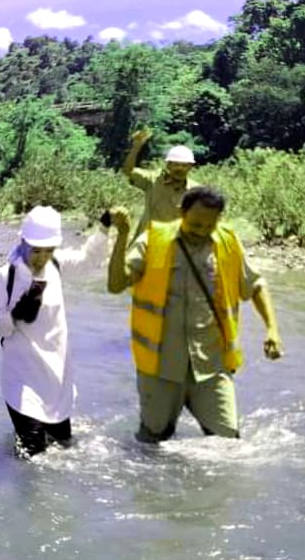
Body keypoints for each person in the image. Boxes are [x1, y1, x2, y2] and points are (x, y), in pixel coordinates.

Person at [107, 185, 283, 442]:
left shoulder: (228, 242)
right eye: (194, 224)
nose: (200, 231)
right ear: (182, 212)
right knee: (152, 445)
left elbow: (256, 285)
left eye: (208, 226)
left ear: (218, 220)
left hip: (211, 365)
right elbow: (115, 285)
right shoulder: (153, 241)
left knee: (228, 444)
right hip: (160, 367)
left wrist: (272, 329)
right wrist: (122, 235)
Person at [0, 205, 107, 456]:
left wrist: (104, 228)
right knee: (33, 457)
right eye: (36, 250)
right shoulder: (6, 277)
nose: (41, 257)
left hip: (56, 377)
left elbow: (88, 260)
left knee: (64, 449)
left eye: (48, 250)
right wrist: (15, 314)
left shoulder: (56, 266)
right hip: (21, 380)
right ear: (23, 241)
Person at [122, 129, 199, 241]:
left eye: (184, 165)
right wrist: (136, 148)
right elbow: (128, 171)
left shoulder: (195, 191)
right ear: (168, 165)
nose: (179, 168)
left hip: (176, 247)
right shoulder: (152, 181)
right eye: (176, 164)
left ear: (190, 167)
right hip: (147, 243)